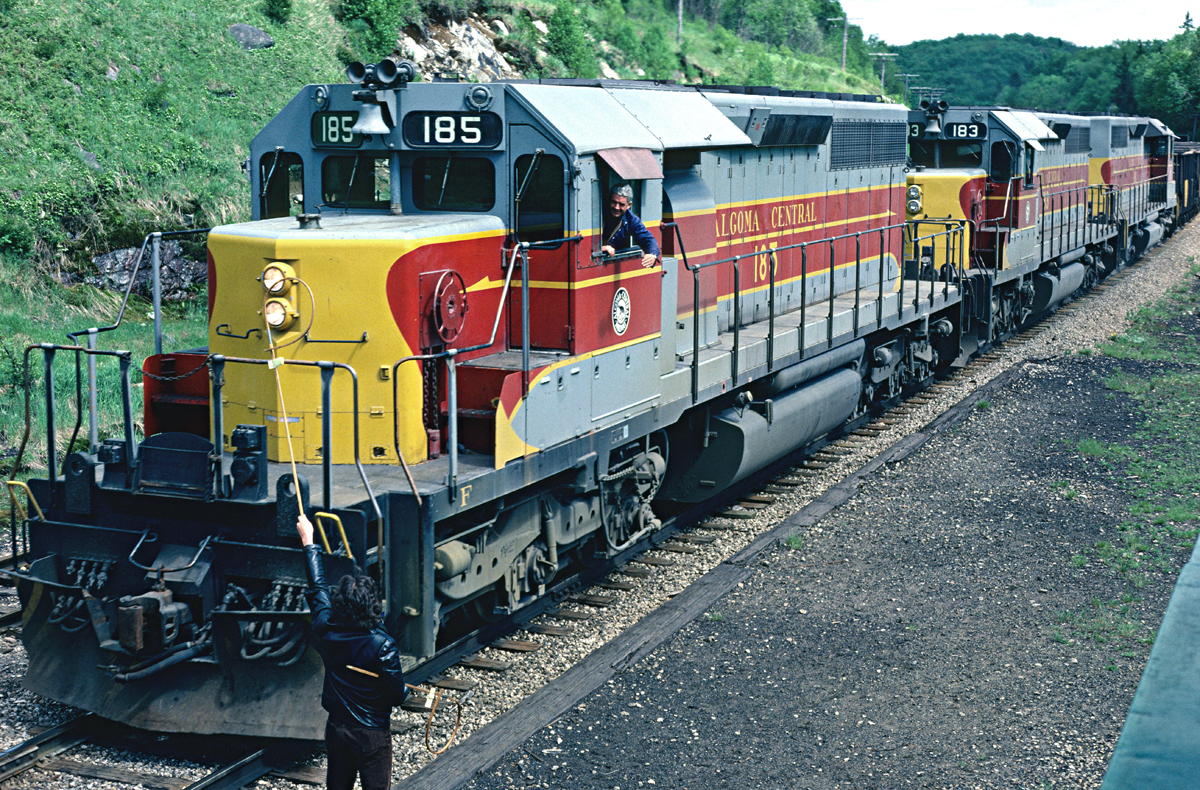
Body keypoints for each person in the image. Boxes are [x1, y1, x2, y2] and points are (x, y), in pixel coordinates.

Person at [297, 514, 407, 790]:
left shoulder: (325, 628)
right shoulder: (383, 646)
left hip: (338, 729)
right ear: (372, 606)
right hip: (371, 735)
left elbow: (317, 586)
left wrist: (308, 541)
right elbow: (395, 696)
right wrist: (404, 691)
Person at [601, 183, 660, 268]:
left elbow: (648, 239)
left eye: (621, 204)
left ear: (629, 205)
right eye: (614, 202)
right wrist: (600, 249)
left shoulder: (631, 219)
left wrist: (652, 255)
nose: (616, 207)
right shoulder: (598, 212)